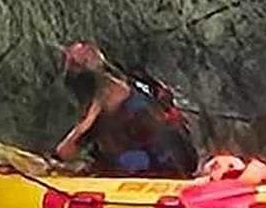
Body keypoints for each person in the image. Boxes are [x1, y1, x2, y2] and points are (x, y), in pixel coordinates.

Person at [52, 41, 199, 178]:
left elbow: (67, 150)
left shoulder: (107, 97)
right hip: (174, 163)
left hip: (155, 172)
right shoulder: (127, 85)